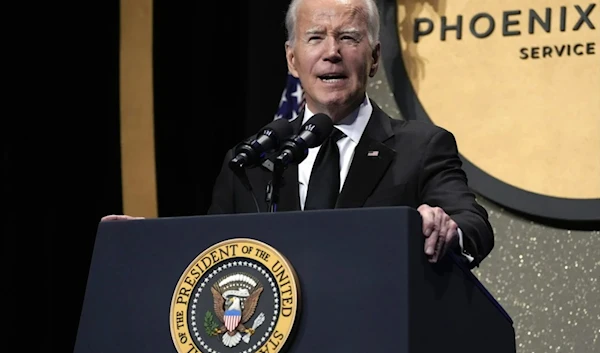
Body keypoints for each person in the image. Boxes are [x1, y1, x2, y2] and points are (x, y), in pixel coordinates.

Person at [105, 0, 494, 268]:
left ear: (374, 58)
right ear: (292, 60)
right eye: (315, 37)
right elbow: (214, 249)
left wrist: (449, 228)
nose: (332, 52)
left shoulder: (421, 147)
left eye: (349, 37)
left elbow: (473, 224)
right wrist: (151, 245)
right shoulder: (252, 160)